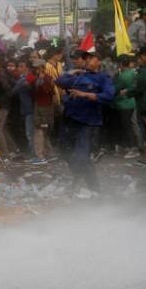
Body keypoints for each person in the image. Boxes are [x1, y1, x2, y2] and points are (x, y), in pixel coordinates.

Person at [56, 50, 115, 193]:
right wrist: (72, 71)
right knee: (64, 151)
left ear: (99, 62)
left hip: (88, 122)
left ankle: (94, 189)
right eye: (87, 59)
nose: (88, 61)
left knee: (82, 156)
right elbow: (59, 81)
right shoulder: (79, 76)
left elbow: (108, 96)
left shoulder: (103, 78)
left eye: (92, 59)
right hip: (70, 120)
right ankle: (78, 176)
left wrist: (85, 94)